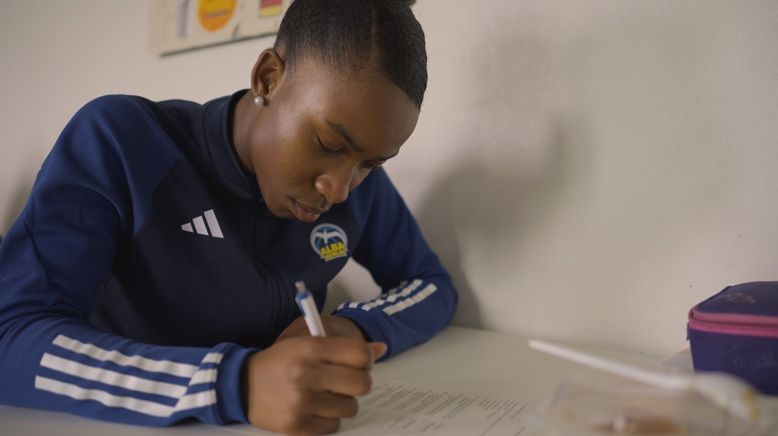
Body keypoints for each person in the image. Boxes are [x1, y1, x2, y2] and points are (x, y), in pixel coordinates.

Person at [0, 0, 457, 434]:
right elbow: (11, 337)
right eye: (328, 145)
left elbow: (430, 283)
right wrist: (236, 384)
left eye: (370, 163)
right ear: (268, 78)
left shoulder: (358, 187)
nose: (339, 189)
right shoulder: (121, 141)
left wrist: (354, 325)